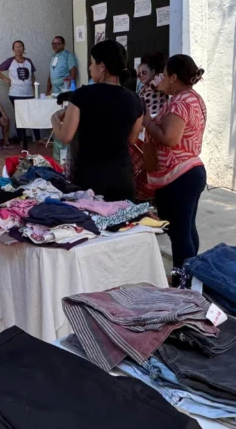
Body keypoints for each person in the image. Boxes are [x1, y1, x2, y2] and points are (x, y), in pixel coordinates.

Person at [141, 54, 207, 285]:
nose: (162, 79)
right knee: (186, 229)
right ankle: (190, 276)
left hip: (180, 175)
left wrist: (147, 121)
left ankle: (183, 281)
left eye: (165, 75)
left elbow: (170, 138)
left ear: (174, 76)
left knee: (179, 233)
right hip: (188, 173)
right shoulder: (192, 98)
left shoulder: (181, 102)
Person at [50, 40, 143, 202]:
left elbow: (65, 136)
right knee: (122, 225)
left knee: (91, 225)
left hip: (90, 178)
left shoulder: (82, 95)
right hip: (122, 177)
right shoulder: (134, 99)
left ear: (102, 66)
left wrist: (54, 119)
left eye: (92, 62)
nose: (89, 67)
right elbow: (132, 139)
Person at [131, 52, 168, 202]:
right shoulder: (142, 89)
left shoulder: (159, 82)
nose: (140, 76)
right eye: (138, 74)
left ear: (153, 72)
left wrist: (155, 82)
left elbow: (164, 86)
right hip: (144, 129)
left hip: (154, 126)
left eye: (144, 72)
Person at [0, 40, 37, 143]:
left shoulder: (28, 61)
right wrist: (6, 79)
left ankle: (37, 138)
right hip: (15, 94)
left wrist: (34, 87)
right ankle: (22, 139)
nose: (19, 49)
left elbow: (32, 75)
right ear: (13, 49)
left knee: (32, 115)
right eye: (16, 47)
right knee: (20, 116)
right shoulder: (10, 61)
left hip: (29, 93)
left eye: (21, 46)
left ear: (24, 48)